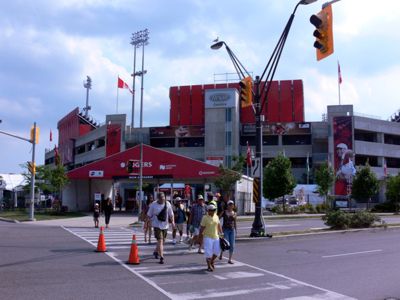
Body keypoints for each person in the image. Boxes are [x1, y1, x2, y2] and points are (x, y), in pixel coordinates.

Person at [147, 192, 175, 264]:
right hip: (156, 225)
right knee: (160, 241)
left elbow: (171, 214)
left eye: (163, 198)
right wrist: (147, 223)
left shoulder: (168, 204)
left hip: (165, 225)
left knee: (163, 241)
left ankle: (156, 251)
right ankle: (161, 257)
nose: (162, 200)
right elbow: (149, 215)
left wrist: (173, 222)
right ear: (158, 199)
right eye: (161, 199)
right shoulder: (153, 204)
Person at [199, 204, 223, 272]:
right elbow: (202, 228)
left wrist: (221, 233)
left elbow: (219, 225)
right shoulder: (205, 217)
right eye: (211, 210)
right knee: (208, 253)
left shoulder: (216, 216)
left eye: (214, 210)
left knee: (217, 252)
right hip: (207, 237)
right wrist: (200, 237)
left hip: (216, 237)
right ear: (208, 211)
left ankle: (212, 261)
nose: (213, 211)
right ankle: (209, 266)